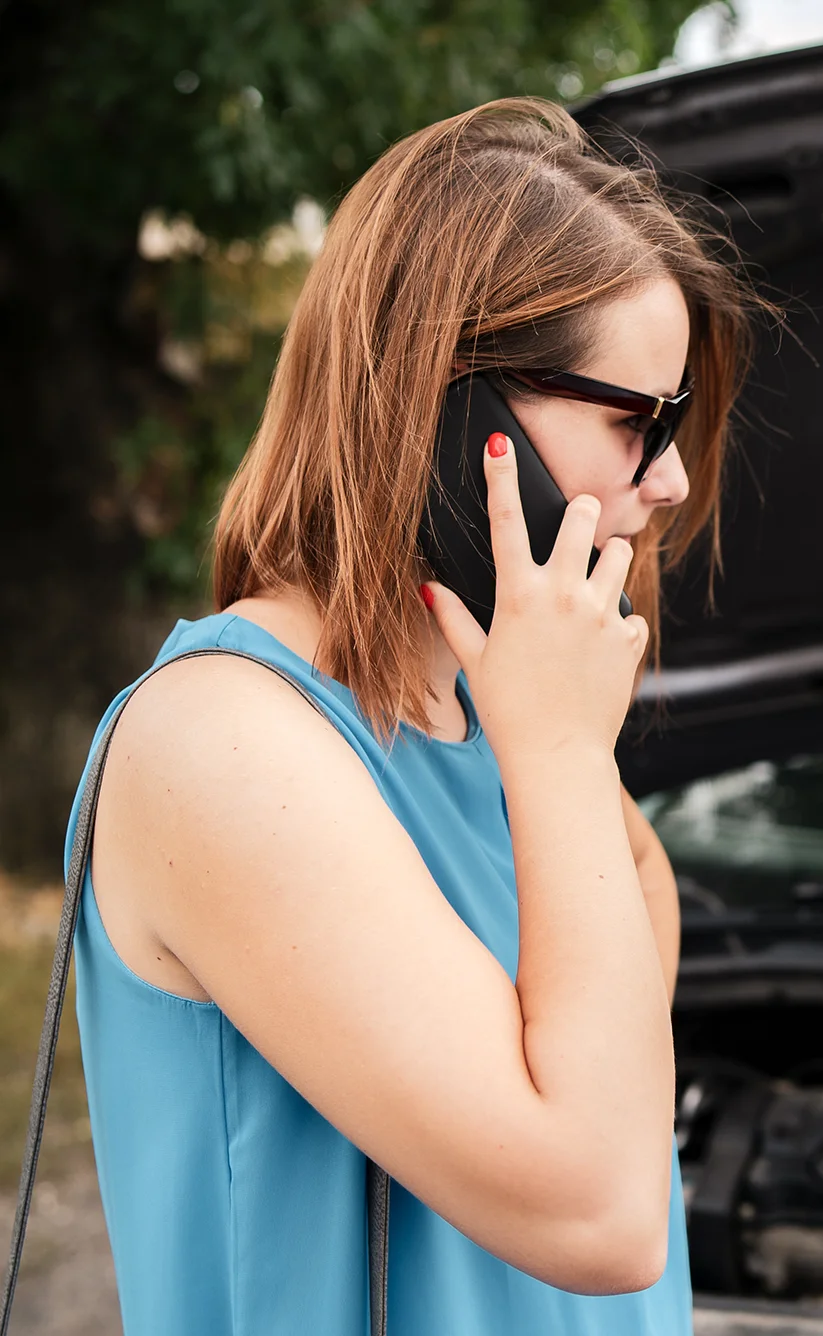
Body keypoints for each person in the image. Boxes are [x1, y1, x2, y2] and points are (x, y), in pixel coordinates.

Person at [65, 97, 759, 1335]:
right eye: (633, 419)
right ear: (453, 412)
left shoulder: (495, 709)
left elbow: (624, 981)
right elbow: (600, 1214)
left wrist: (546, 746)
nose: (673, 479)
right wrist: (554, 750)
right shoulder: (224, 743)